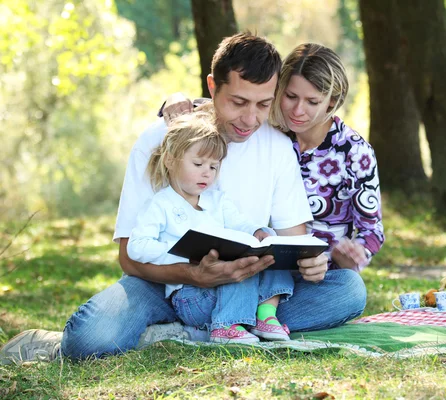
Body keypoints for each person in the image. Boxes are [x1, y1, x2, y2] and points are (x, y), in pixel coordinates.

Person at [0, 33, 366, 364]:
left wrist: (308, 263)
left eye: (262, 104)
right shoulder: (160, 140)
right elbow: (129, 256)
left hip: (244, 287)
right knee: (89, 340)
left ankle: (181, 335)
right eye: (238, 101)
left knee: (347, 289)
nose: (250, 119)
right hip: (163, 285)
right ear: (211, 86)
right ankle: (212, 331)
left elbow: (292, 242)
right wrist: (194, 274)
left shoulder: (277, 146)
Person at [163, 43, 385, 272]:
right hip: (265, 263)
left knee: (350, 288)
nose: (297, 110)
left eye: (312, 102)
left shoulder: (353, 152)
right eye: (290, 96)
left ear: (332, 101)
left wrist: (354, 255)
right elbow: (223, 104)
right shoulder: (265, 128)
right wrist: (175, 100)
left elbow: (372, 230)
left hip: (319, 271)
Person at [128, 107, 292, 343]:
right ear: (170, 161)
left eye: (213, 167)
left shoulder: (217, 201)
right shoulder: (161, 204)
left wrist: (259, 233)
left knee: (272, 256)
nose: (207, 173)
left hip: (221, 290)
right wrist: (185, 253)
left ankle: (266, 316)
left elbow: (240, 224)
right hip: (191, 296)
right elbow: (137, 247)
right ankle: (225, 326)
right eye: (198, 164)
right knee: (235, 269)